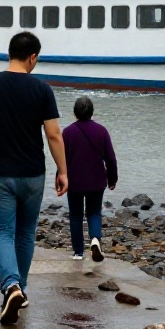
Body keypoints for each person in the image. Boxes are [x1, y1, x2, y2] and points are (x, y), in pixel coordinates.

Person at [0, 32, 68, 325]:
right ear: (33, 57)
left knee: (1, 233)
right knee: (25, 233)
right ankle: (18, 289)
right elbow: (53, 134)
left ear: (9, 53)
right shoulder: (42, 89)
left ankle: (11, 286)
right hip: (32, 174)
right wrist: (63, 170)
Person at [60, 97, 117, 263]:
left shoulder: (68, 132)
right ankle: (95, 240)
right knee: (94, 213)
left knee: (76, 216)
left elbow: (62, 158)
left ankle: (78, 252)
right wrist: (112, 178)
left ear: (75, 113)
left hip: (74, 181)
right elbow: (111, 159)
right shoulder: (101, 131)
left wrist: (59, 177)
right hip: (96, 180)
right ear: (92, 112)